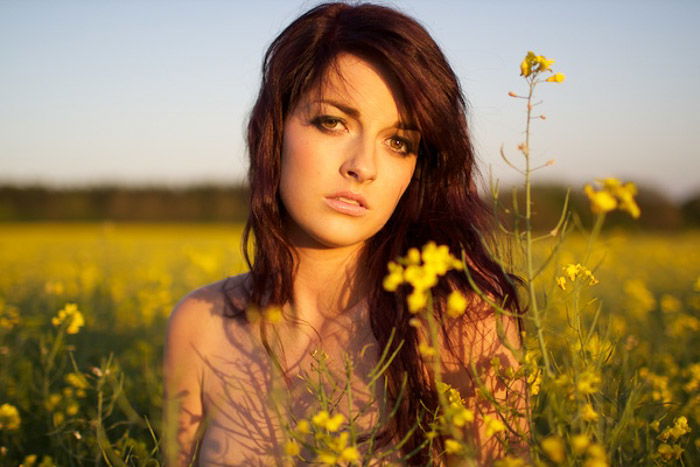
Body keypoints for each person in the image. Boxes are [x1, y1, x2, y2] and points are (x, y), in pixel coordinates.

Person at [163, 2, 527, 465]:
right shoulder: (199, 325)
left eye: (399, 142)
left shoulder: (463, 327)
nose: (363, 166)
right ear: (274, 130)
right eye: (332, 122)